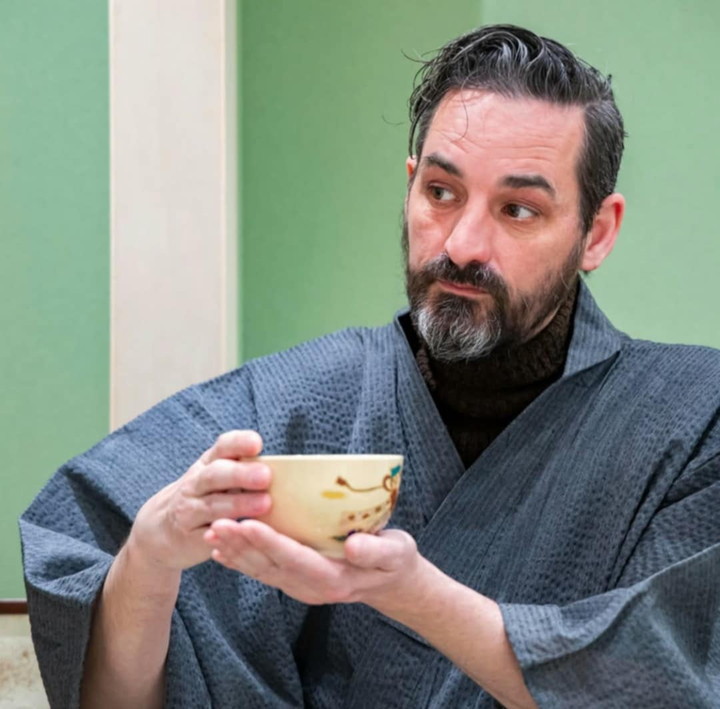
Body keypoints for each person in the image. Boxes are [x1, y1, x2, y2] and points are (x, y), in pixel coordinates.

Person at [21, 24, 720, 709]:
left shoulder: (690, 421)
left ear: (596, 231)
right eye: (441, 193)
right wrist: (148, 561)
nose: (462, 244)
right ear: (411, 185)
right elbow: (105, 685)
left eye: (517, 209)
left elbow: (667, 680)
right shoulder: (299, 403)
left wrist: (410, 592)